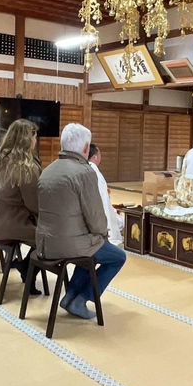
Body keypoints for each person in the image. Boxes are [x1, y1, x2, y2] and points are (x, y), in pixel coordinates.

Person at [36, 123, 126, 320]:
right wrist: (103, 234)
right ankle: (81, 299)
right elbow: (95, 216)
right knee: (117, 256)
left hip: (45, 243)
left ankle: (70, 297)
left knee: (90, 249)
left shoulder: (48, 169)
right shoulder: (83, 172)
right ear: (86, 148)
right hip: (70, 244)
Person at [0, 119, 43, 295]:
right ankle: (28, 269)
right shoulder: (26, 167)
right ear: (28, 138)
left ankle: (25, 267)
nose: (36, 140)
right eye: (35, 136)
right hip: (14, 222)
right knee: (51, 237)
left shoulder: (1, 160)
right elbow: (34, 204)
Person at [88, 144, 124, 246]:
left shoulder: (84, 169)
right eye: (99, 154)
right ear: (95, 157)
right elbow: (103, 201)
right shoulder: (95, 172)